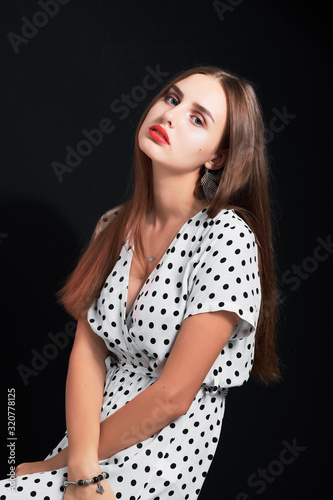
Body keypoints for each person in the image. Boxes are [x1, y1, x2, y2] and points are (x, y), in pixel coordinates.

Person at [0, 65, 280, 499]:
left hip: (164, 448)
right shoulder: (112, 225)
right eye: (171, 99)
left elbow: (173, 398)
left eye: (197, 118)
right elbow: (87, 355)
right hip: (90, 443)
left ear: (217, 157)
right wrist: (78, 460)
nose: (170, 116)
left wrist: (62, 467)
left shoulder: (226, 236)